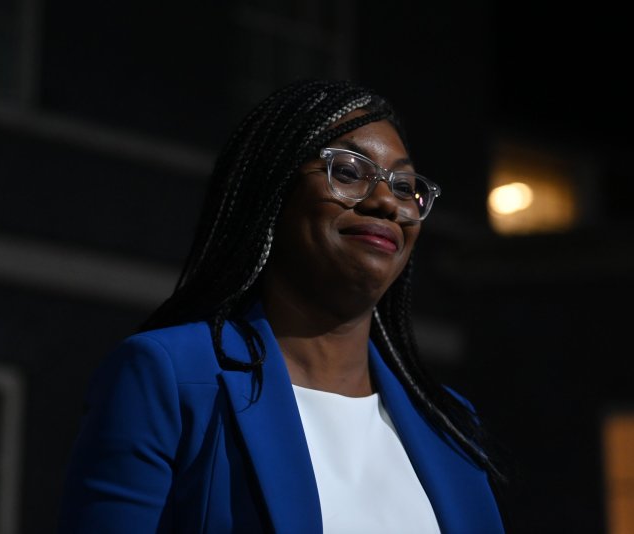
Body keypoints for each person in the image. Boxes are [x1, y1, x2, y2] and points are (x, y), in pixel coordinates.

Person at [57, 78, 506, 533]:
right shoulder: (169, 377)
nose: (387, 201)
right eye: (349, 171)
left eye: (406, 186)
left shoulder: (448, 422)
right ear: (273, 190)